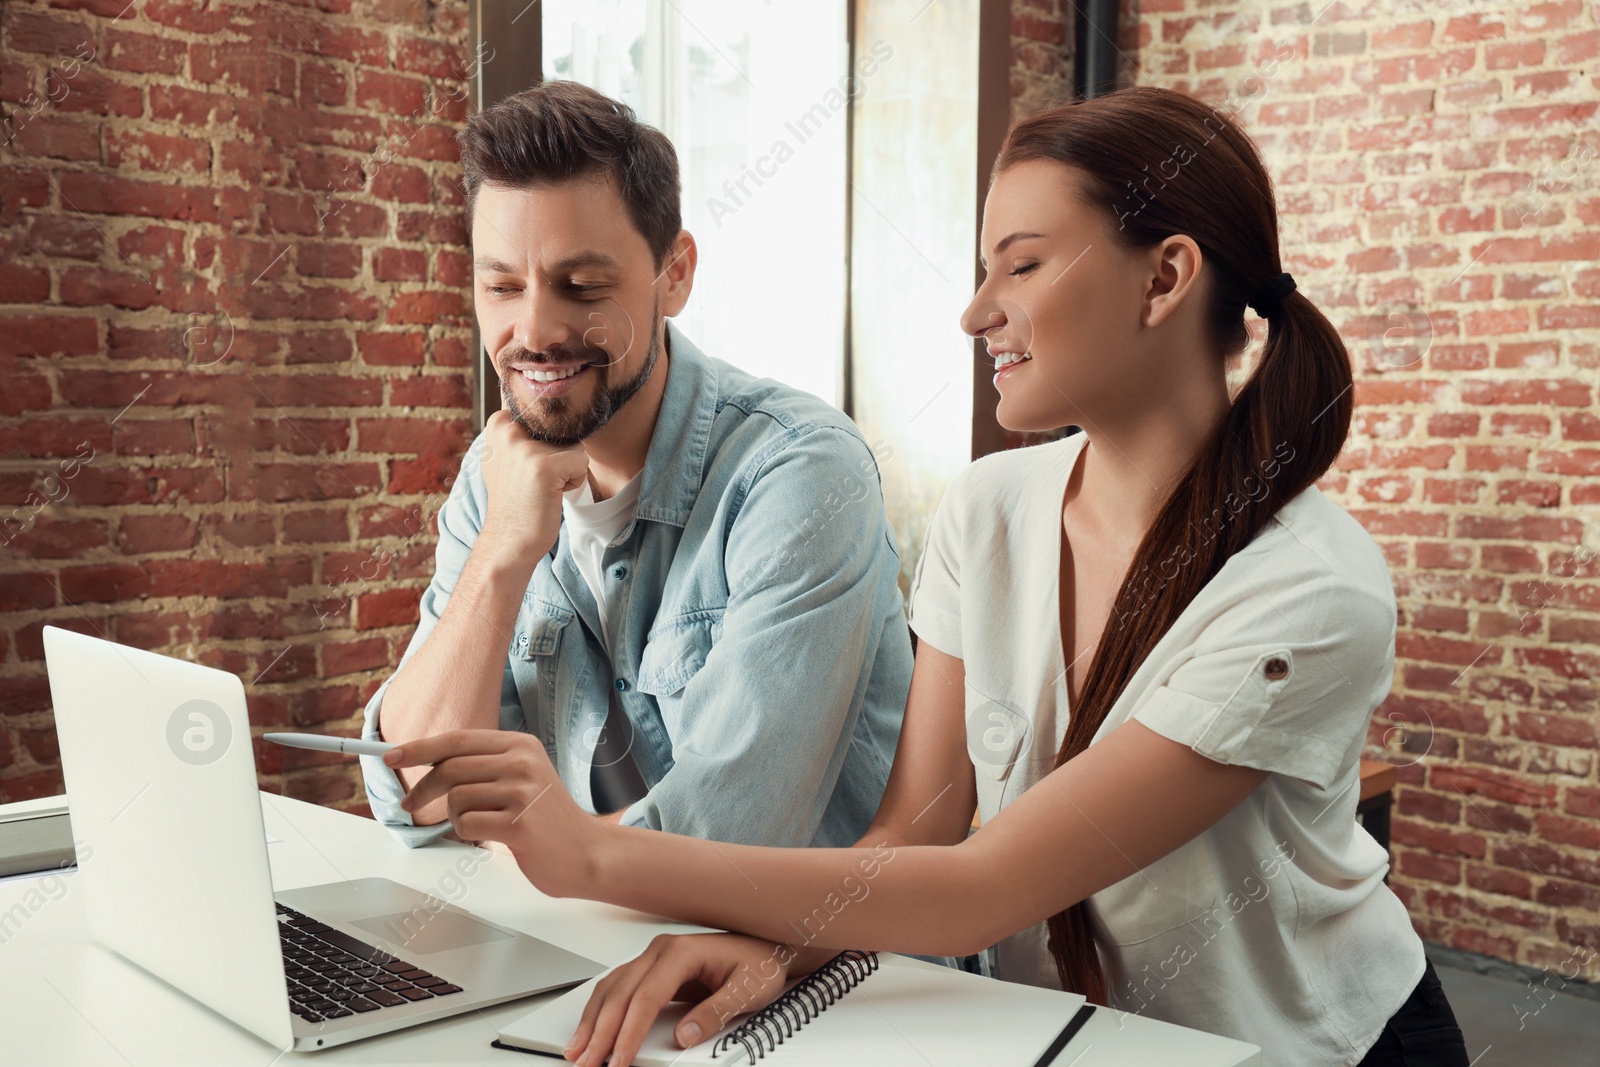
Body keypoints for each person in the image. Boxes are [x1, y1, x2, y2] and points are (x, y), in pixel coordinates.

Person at [385, 86, 1469, 1067]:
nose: (975, 309)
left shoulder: (1310, 591)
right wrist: (773, 951)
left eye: (1025, 263)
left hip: (1298, 1048)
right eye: (983, 264)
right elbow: (916, 832)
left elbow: (982, 888)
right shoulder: (989, 507)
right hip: (1056, 1035)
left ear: (1165, 279)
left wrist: (586, 856)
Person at [360, 80, 912, 852]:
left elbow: (730, 834)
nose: (536, 329)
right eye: (502, 286)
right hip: (585, 938)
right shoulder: (495, 475)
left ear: (674, 274)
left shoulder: (799, 472)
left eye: (581, 286)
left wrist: (550, 847)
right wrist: (501, 553)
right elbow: (417, 793)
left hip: (830, 969)